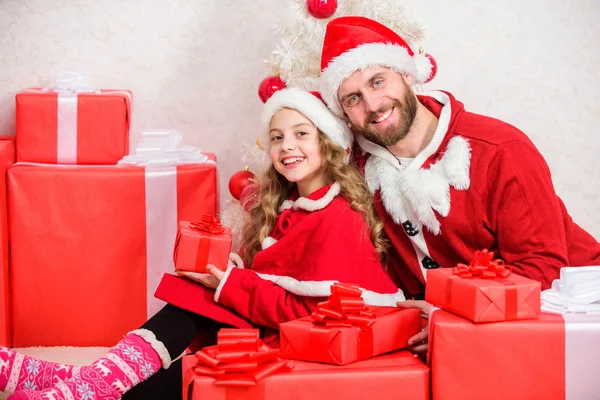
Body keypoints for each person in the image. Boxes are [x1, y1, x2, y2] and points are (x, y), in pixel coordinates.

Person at [4, 88, 405, 400]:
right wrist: (230, 277)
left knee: (188, 325)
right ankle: (81, 381)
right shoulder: (292, 209)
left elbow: (306, 314)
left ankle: (84, 382)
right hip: (280, 327)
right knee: (193, 295)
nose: (287, 147)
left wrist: (230, 284)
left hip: (302, 342)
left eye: (302, 134)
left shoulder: (337, 217)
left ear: (327, 144)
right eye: (278, 137)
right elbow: (279, 281)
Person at [317, 16, 600, 352]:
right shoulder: (356, 172)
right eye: (352, 99)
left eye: (378, 82)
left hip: (570, 315)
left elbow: (543, 269)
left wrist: (449, 315)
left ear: (407, 75)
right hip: (461, 333)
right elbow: (306, 217)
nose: (372, 105)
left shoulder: (498, 149)